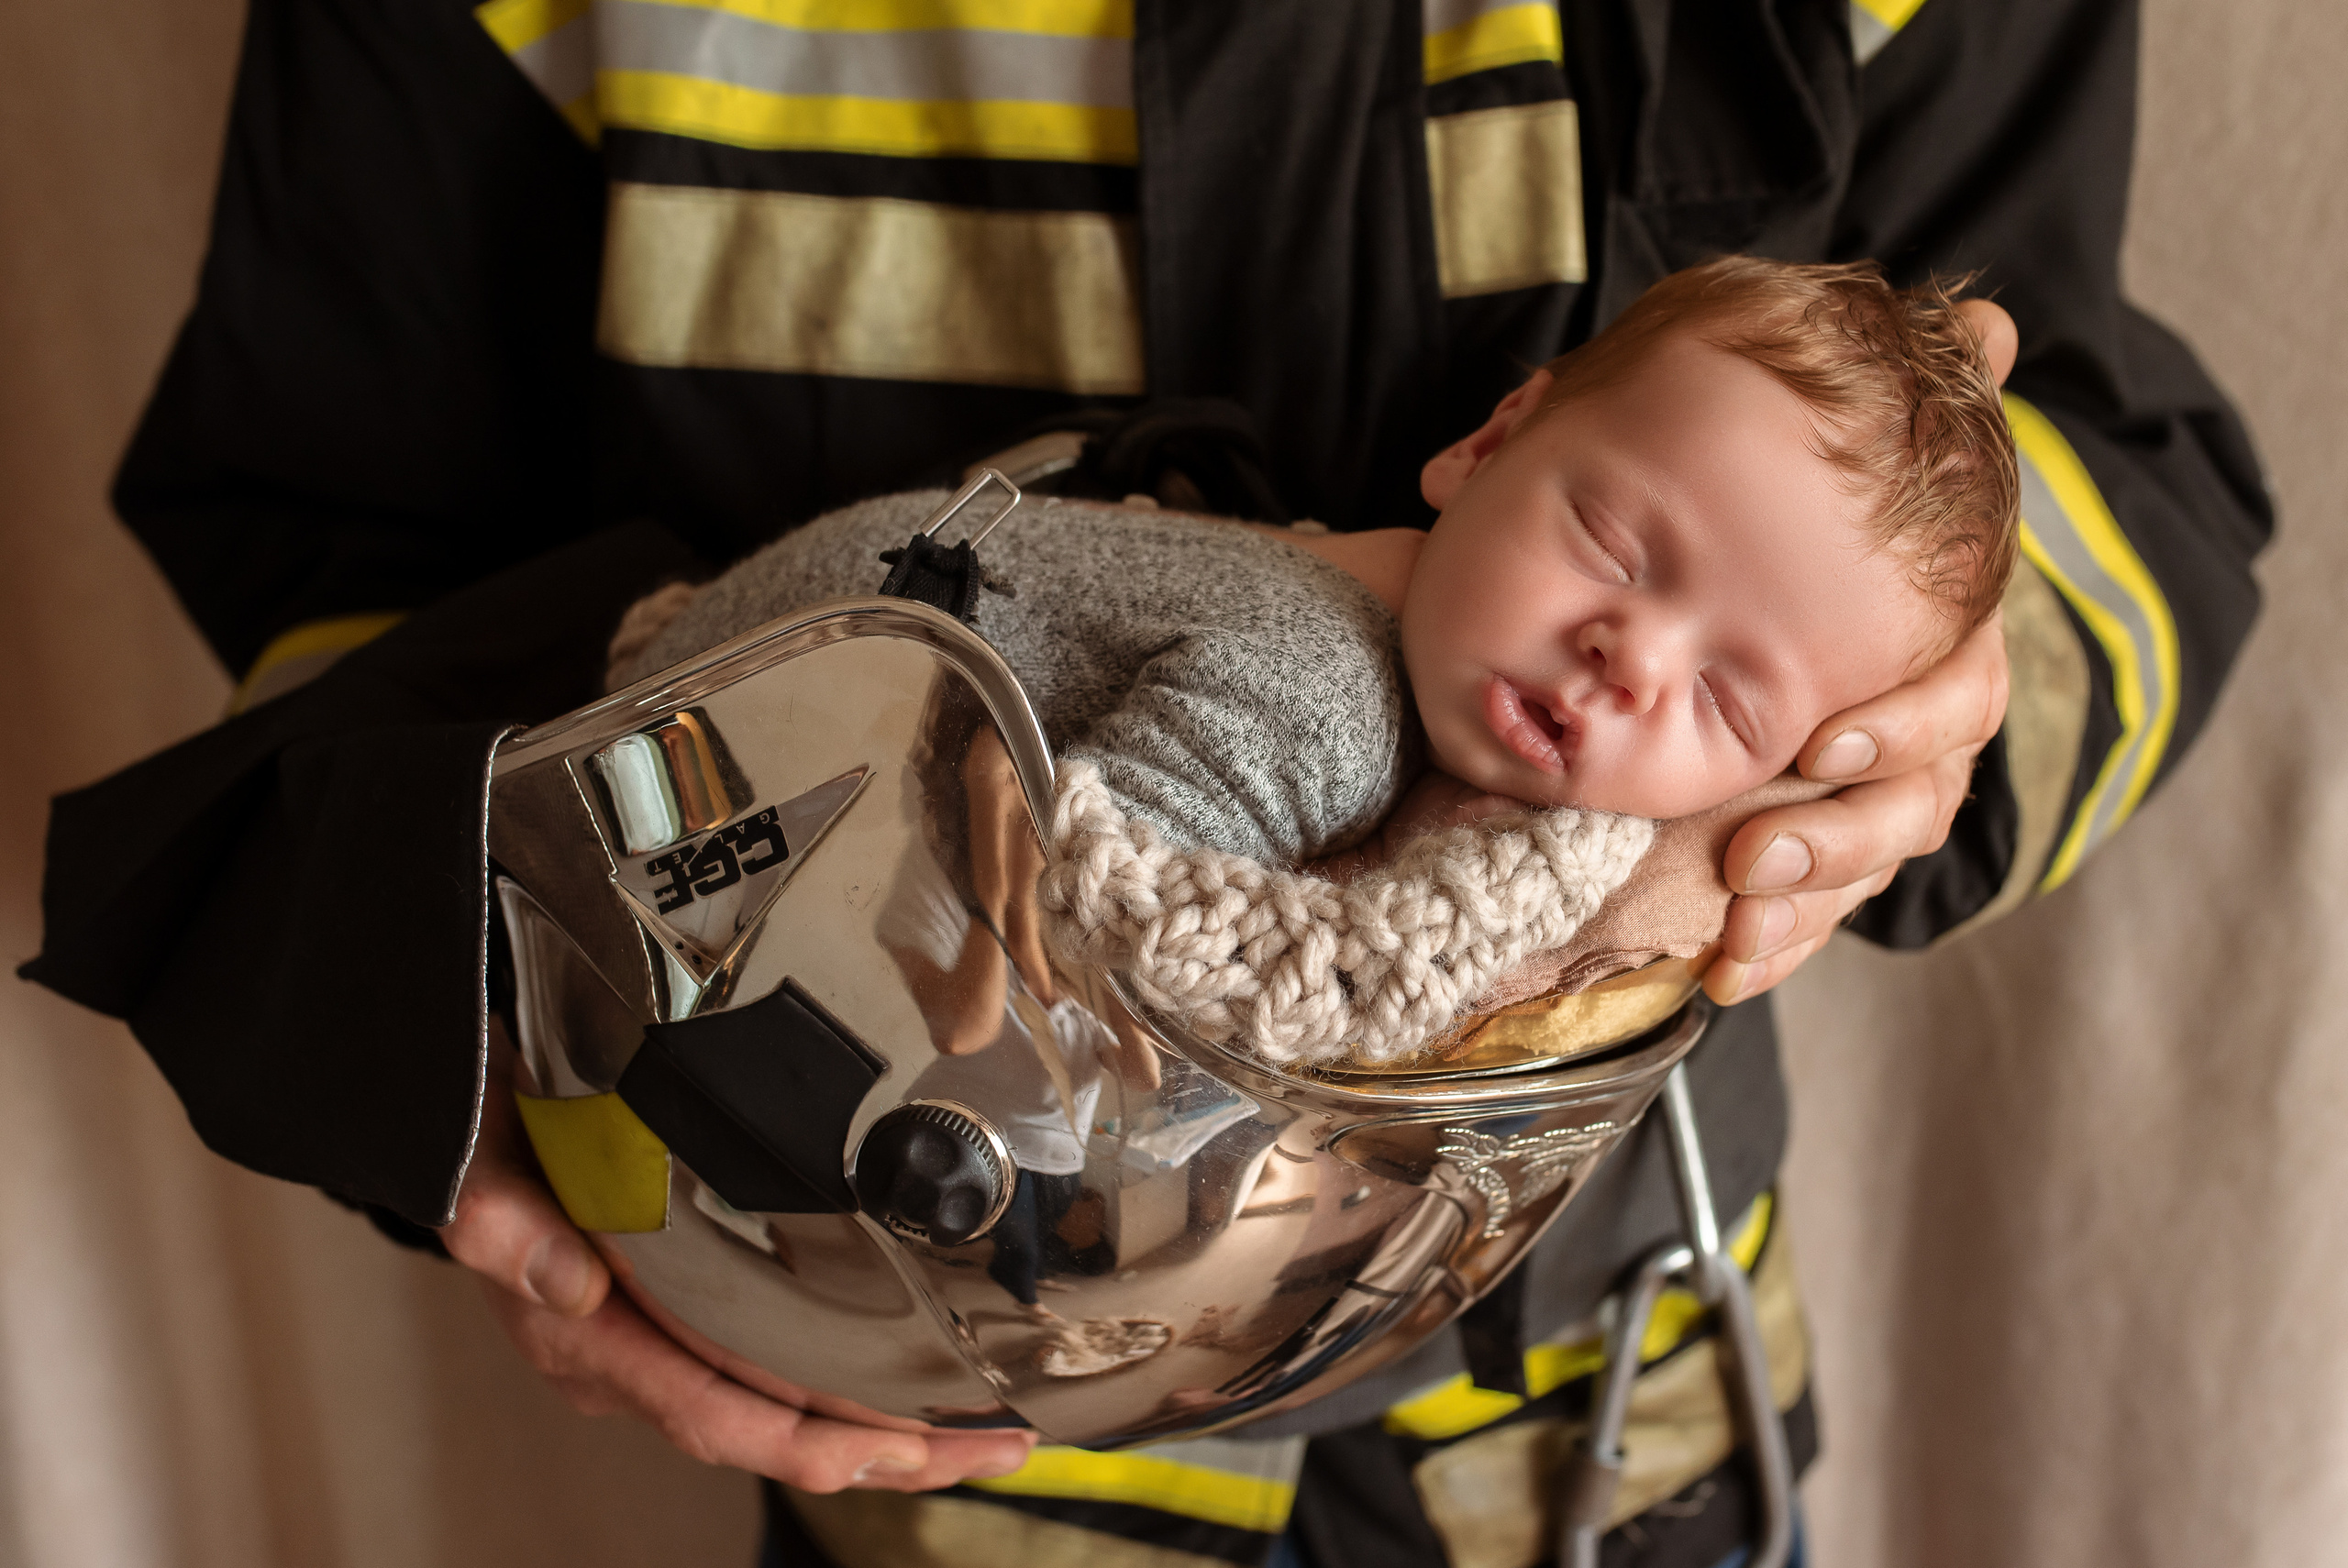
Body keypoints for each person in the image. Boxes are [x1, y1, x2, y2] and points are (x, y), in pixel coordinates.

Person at [18, 2, 2269, 1564]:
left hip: (1598, 1429)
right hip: (899, 1442)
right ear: (1491, 447)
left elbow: (2093, 445)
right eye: (1603, 549)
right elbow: (351, 565)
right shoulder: (1274, 664)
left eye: (1709, 665)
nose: (1617, 666)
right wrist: (486, 1086)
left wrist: (1899, 740)